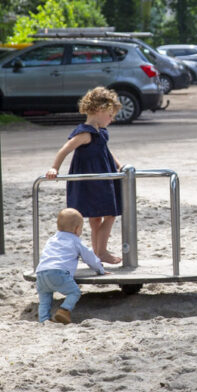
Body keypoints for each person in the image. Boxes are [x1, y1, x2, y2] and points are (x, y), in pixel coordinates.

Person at [47, 86, 124, 265]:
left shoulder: (101, 132)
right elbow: (64, 150)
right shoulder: (85, 133)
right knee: (109, 214)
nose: (111, 119)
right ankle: (102, 251)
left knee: (98, 217)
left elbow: (106, 150)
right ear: (99, 110)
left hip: (103, 178)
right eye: (110, 115)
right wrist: (54, 168)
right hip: (91, 181)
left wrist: (119, 165)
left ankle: (97, 253)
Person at [35, 208, 106, 324]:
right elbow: (89, 257)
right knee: (74, 292)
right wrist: (100, 269)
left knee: (44, 300)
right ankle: (64, 310)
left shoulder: (51, 239)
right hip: (58, 272)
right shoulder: (75, 240)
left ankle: (43, 320)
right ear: (77, 229)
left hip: (41, 273)